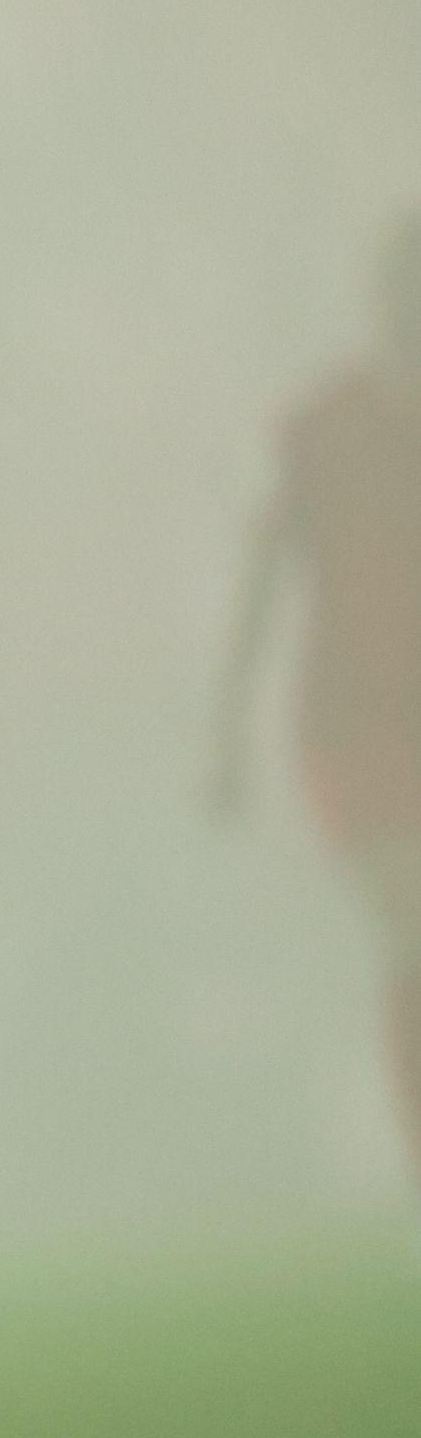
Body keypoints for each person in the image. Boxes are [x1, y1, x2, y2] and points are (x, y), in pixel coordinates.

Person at [213, 213, 421, 1187]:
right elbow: (260, 579)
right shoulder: (321, 429)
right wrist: (225, 730)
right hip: (357, 731)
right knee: (409, 916)